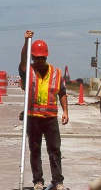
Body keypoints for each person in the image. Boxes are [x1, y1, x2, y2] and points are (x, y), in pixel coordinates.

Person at [19, 30, 69, 190]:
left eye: (41, 58)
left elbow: (62, 93)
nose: (39, 60)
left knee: (54, 150)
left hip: (50, 118)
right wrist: (26, 42)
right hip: (33, 117)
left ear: (46, 57)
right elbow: (22, 60)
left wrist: (66, 112)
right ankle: (38, 181)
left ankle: (58, 181)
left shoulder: (56, 73)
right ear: (33, 57)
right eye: (36, 57)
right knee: (35, 150)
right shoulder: (28, 71)